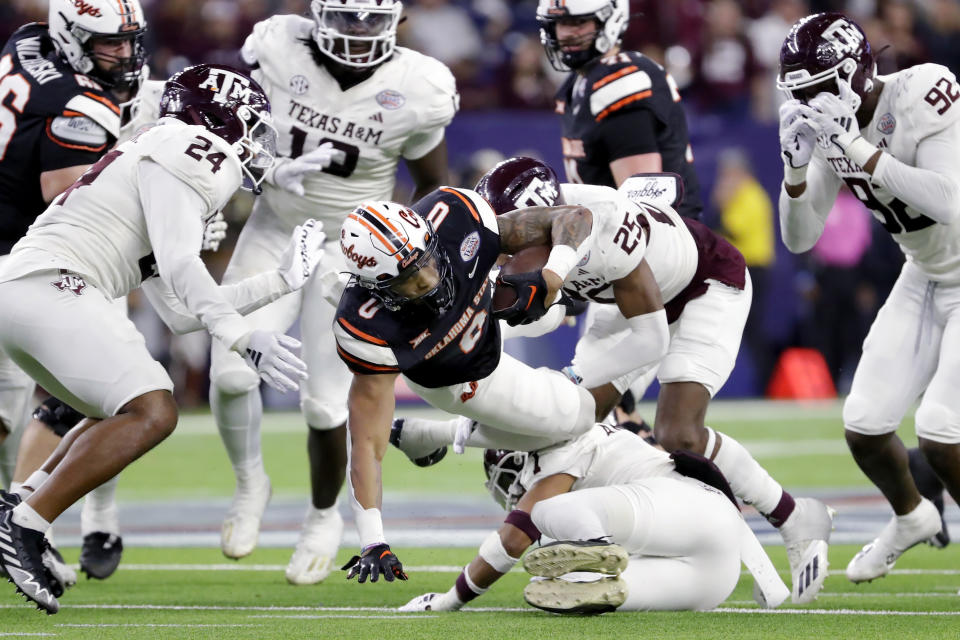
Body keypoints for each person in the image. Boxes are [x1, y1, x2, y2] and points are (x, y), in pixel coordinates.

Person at [392, 157, 836, 604]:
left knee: (677, 431)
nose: (505, 253)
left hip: (702, 286)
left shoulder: (603, 229)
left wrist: (575, 375)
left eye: (516, 237)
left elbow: (651, 339)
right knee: (572, 418)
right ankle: (445, 436)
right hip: (626, 300)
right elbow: (548, 313)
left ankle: (794, 516)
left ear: (543, 221)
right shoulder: (547, 232)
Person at [0, 63, 325, 614]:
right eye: (250, 125)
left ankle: (22, 506)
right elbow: (179, 265)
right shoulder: (197, 147)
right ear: (221, 118)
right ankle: (27, 525)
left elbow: (179, 312)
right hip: (50, 283)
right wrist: (244, 338)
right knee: (154, 411)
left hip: (28, 288)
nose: (253, 145)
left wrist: (282, 281)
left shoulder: (157, 152)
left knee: (115, 409)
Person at [208, 0, 458, 586]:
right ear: (316, 14)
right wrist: (259, 172)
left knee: (325, 402)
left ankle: (323, 517)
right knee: (229, 372)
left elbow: (431, 185)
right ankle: (250, 484)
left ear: (399, 22)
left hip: (353, 248)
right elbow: (230, 130)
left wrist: (404, 260)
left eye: (370, 19)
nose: (358, 32)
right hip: (274, 226)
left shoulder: (417, 87)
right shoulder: (277, 46)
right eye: (345, 17)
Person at [776, 12, 960, 582]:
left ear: (856, 72)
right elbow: (800, 237)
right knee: (864, 421)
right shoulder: (831, 124)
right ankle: (912, 517)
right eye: (797, 92)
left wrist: (857, 146)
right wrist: (796, 171)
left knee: (941, 428)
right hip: (925, 272)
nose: (809, 101)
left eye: (817, 86)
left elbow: (949, 201)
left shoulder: (924, 91)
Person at [333, 187, 598, 583]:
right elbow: (367, 443)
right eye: (408, 279)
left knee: (552, 313)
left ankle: (427, 436)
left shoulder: (455, 215)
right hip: (458, 373)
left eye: (426, 261)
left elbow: (575, 217)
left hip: (485, 311)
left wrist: (551, 276)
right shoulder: (365, 327)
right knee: (581, 418)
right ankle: (437, 431)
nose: (428, 279)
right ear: (378, 289)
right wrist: (373, 540)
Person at [0, 0, 154, 585]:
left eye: (127, 40)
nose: (121, 52)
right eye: (106, 42)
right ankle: (22, 525)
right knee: (126, 398)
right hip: (27, 260)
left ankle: (29, 522)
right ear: (72, 36)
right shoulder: (80, 104)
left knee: (76, 402)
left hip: (18, 248)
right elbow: (67, 199)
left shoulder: (28, 40)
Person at [399, 423, 789, 614]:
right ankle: (596, 566)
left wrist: (451, 600)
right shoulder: (590, 431)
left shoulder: (566, 442)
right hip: (714, 576)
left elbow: (515, 538)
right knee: (555, 587)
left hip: (690, 506)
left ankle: (597, 549)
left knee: (550, 513)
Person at [536, 0, 702, 219]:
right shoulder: (576, 86)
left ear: (611, 19)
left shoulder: (618, 84)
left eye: (578, 22)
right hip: (614, 234)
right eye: (559, 23)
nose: (565, 33)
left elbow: (642, 208)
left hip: (657, 236)